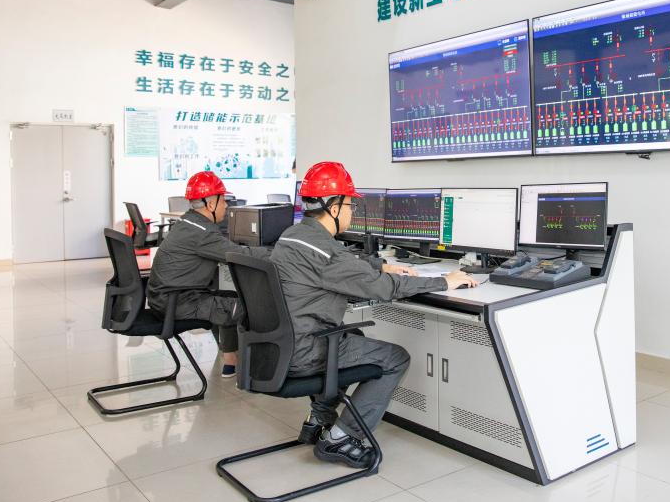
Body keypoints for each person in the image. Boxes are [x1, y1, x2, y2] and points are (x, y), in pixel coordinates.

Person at [270, 161, 476, 469]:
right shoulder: (328, 253)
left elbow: (340, 263)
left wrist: (379, 264)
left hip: (278, 347)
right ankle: (341, 438)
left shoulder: (291, 236)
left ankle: (319, 419)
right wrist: (444, 281)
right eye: (350, 205)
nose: (352, 212)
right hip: (305, 352)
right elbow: (384, 288)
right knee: (395, 358)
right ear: (334, 207)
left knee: (352, 335)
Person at [147, 170, 271, 377]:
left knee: (224, 289)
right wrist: (278, 252)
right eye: (224, 200)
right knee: (251, 306)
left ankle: (230, 356)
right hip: (180, 303)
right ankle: (260, 368)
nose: (226, 205)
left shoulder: (187, 222)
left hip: (165, 299)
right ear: (211, 204)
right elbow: (239, 255)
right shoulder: (202, 233)